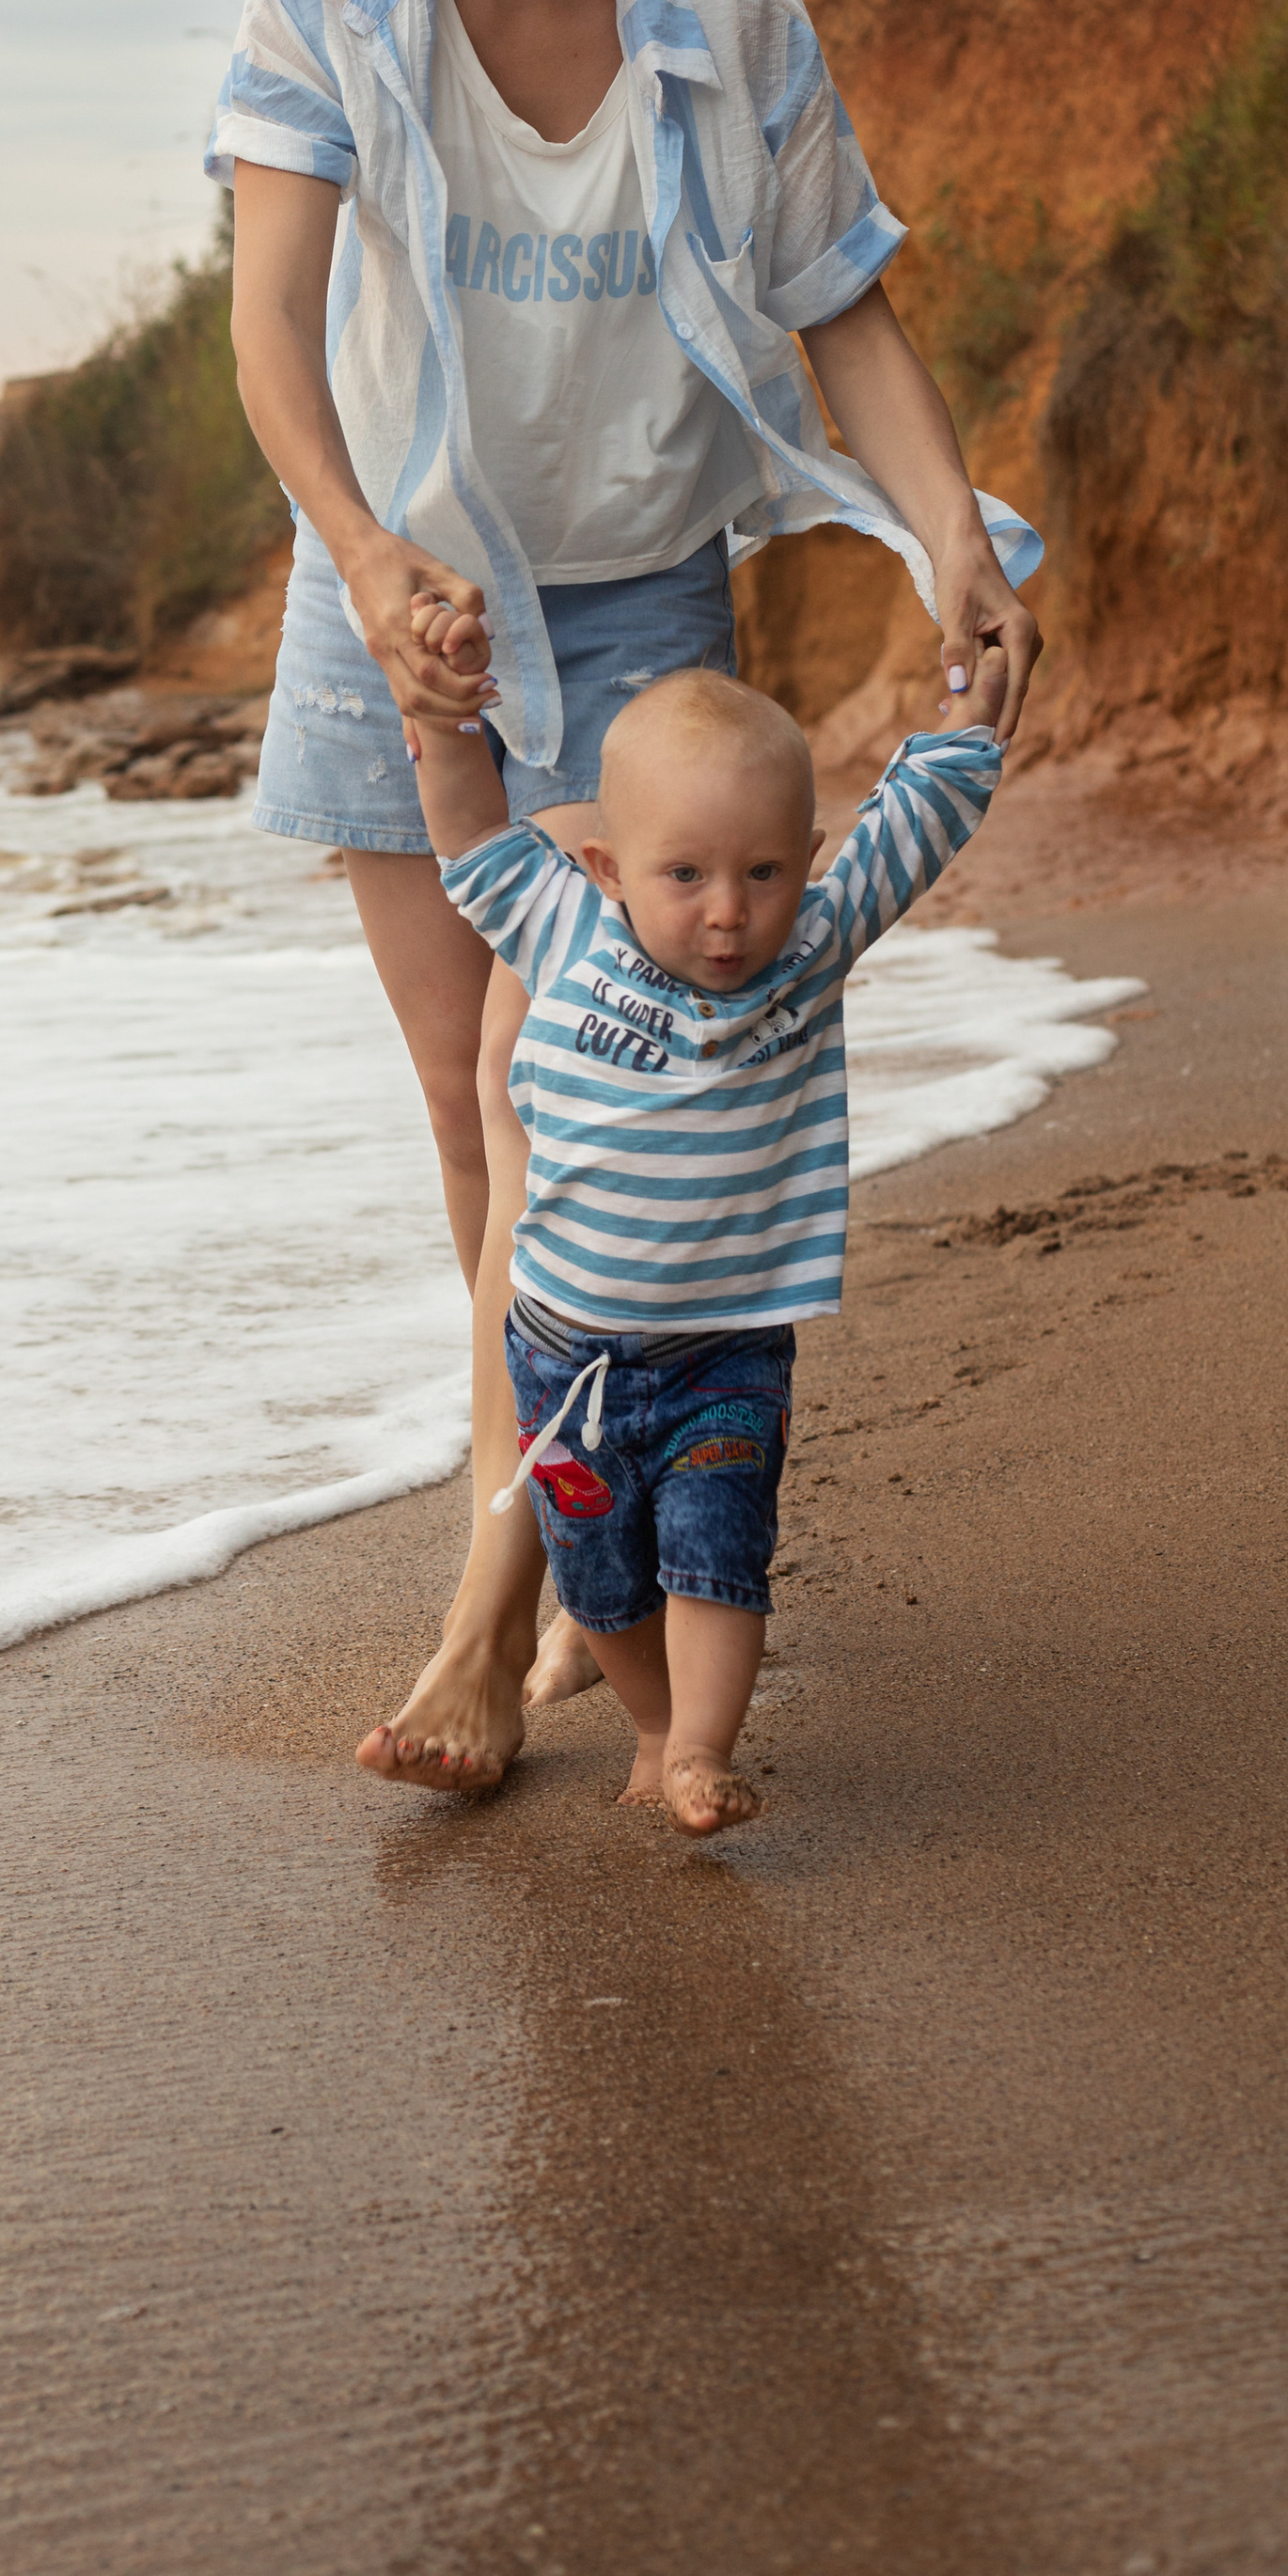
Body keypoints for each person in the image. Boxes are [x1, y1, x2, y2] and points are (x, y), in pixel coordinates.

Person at [212, 0, 1043, 1794]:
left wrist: (941, 530)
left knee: (555, 1095)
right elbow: (273, 338)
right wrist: (370, 558)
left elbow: (839, 305)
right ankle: (558, 1561)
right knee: (476, 1127)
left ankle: (488, 1621)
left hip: (644, 593)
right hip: (399, 596)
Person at [402, 622, 1008, 1830]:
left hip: (725, 1356)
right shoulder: (561, 929)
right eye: (684, 876)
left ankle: (700, 1752)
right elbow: (469, 837)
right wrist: (439, 719)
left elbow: (919, 822)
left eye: (763, 875)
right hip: (563, 1363)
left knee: (717, 1556)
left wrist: (973, 717)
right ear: (609, 867)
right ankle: (646, 1723)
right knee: (603, 1584)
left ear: (807, 864)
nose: (728, 913)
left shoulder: (812, 950)